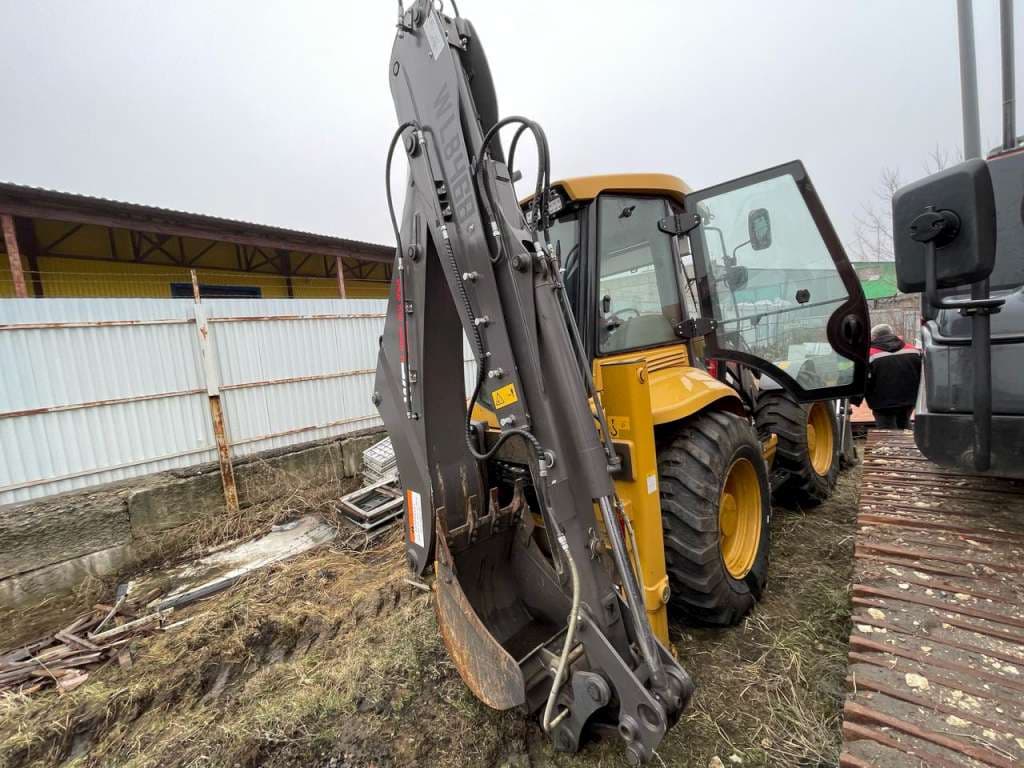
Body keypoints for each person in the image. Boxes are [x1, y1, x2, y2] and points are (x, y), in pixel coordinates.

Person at [866, 323, 922, 429]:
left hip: (882, 404)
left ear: (873, 337)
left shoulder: (869, 355)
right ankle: (906, 438)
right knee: (904, 424)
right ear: (892, 334)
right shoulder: (913, 351)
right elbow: (923, 375)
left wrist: (855, 399)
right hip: (909, 400)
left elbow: (864, 381)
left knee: (886, 430)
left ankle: (891, 440)